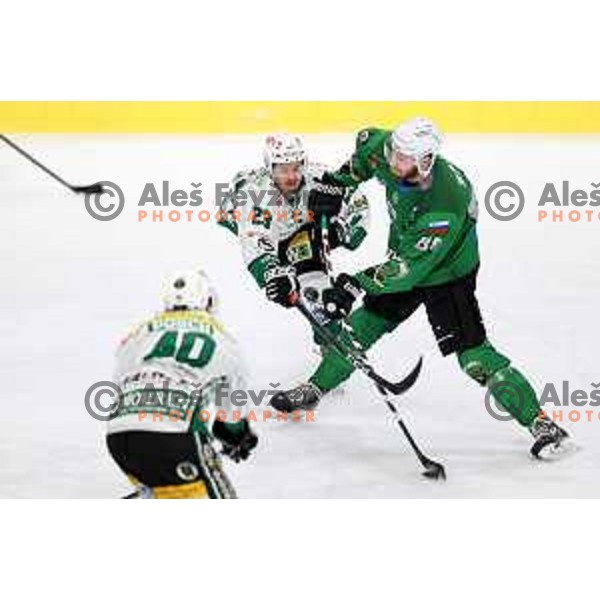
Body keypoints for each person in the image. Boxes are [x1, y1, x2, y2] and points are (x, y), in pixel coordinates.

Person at [270, 117, 568, 458]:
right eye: (393, 154)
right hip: (406, 258)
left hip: (447, 274)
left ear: (426, 161)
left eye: (404, 159)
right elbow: (365, 149)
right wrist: (338, 184)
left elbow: (407, 270)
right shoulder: (387, 150)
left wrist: (354, 284)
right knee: (356, 330)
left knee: (474, 358)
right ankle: (315, 388)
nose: (394, 162)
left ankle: (542, 423)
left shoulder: (446, 202)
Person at [106, 268, 258, 499]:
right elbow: (231, 414)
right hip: (175, 435)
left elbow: (119, 383)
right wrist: (236, 436)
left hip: (120, 433)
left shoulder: (139, 332)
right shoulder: (224, 340)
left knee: (160, 491)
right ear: (208, 301)